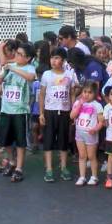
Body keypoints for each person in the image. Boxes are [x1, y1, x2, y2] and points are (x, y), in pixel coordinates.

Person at [0, 43, 36, 182]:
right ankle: (11, 162)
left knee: (20, 141)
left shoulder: (29, 68)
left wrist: (12, 68)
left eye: (20, 54)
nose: (16, 56)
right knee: (5, 140)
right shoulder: (9, 67)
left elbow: (30, 77)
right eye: (17, 53)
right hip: (6, 109)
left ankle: (19, 168)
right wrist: (3, 76)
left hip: (20, 111)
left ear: (28, 58)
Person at [39, 47, 78, 182]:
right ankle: (49, 169)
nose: (53, 61)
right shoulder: (46, 75)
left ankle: (63, 167)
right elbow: (42, 94)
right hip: (49, 111)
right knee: (48, 140)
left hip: (65, 112)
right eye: (52, 58)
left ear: (63, 60)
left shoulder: (69, 74)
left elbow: (72, 93)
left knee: (63, 141)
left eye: (57, 58)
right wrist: (41, 113)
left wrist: (73, 111)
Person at [70, 81, 104, 186]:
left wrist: (95, 129)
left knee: (92, 156)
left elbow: (101, 122)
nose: (86, 94)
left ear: (95, 94)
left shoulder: (97, 105)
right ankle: (82, 176)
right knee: (82, 155)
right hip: (79, 133)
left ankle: (94, 176)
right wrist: (79, 104)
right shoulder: (77, 103)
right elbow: (72, 116)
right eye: (84, 91)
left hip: (90, 134)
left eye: (90, 92)